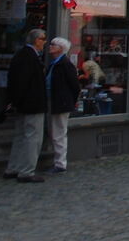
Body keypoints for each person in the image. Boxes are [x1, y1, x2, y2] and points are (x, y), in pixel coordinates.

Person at [4, 29, 48, 183]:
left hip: (23, 104)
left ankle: (14, 168)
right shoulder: (30, 57)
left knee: (21, 136)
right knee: (32, 137)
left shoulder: (21, 55)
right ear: (37, 41)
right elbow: (24, 82)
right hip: (32, 104)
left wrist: (15, 101)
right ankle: (26, 171)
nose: (45, 42)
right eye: (43, 39)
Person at [45, 37, 80, 174]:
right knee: (55, 132)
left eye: (53, 45)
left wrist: (69, 101)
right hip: (53, 101)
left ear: (60, 48)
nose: (50, 46)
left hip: (61, 103)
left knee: (59, 132)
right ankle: (58, 161)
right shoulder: (55, 64)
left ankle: (60, 163)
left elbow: (75, 86)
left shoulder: (65, 64)